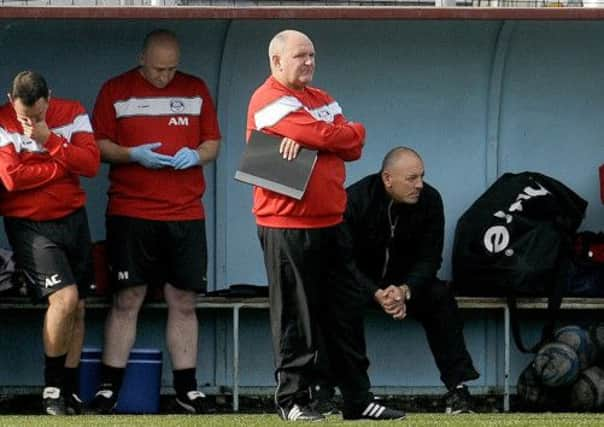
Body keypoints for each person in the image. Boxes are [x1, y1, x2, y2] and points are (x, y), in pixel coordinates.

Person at [246, 29, 406, 422]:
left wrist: (322, 140)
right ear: (277, 61)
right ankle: (293, 400)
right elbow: (323, 133)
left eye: (312, 55)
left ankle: (357, 398)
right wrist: (326, 137)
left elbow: (354, 142)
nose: (309, 63)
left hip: (332, 222)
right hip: (285, 223)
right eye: (300, 56)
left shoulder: (321, 98)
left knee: (345, 312)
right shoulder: (267, 98)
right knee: (295, 316)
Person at [90, 28, 221, 414]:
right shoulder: (116, 89)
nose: (165, 76)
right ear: (141, 57)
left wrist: (195, 156)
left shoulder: (195, 89)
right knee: (127, 298)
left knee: (183, 299)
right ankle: (109, 387)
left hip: (185, 212)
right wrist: (132, 154)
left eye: (172, 68)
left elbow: (212, 143)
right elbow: (97, 145)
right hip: (132, 212)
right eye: (158, 69)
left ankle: (187, 389)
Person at [336, 146, 480, 414]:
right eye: (411, 178)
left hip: (405, 286)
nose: (419, 185)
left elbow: (430, 259)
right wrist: (375, 292)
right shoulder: (355, 199)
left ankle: (458, 390)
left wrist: (405, 289)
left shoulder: (430, 200)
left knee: (440, 297)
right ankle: (352, 394)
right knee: (334, 298)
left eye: (421, 176)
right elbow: (343, 262)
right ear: (388, 179)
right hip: (362, 285)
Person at [0, 71, 100, 415]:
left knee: (80, 305)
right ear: (11, 100)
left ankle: (69, 392)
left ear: (50, 98)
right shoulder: (2, 121)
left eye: (38, 116)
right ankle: (52, 388)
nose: (30, 123)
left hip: (72, 220)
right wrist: (60, 165)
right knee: (64, 297)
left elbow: (90, 164)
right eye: (24, 117)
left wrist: (50, 141)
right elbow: (11, 179)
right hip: (30, 224)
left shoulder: (72, 112)